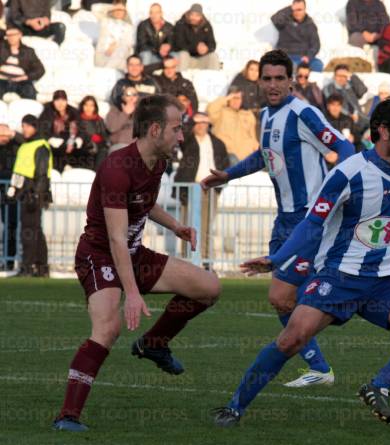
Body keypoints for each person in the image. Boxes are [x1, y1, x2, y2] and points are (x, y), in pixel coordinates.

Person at [211, 98, 390, 427]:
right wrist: (277, 259)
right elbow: (312, 225)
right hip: (338, 279)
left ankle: (379, 386)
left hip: (384, 280)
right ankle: (235, 407)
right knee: (292, 338)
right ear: (383, 131)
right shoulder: (348, 173)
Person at [52, 95, 221, 432]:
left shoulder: (156, 162)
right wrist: (131, 293)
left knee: (209, 287)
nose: (181, 136)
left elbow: (145, 204)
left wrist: (176, 226)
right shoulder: (117, 168)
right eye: (176, 128)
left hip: (132, 254)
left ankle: (154, 344)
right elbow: (115, 239)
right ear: (155, 129)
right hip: (99, 256)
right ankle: (67, 416)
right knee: (108, 329)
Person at [201, 50, 355, 388]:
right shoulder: (268, 115)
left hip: (308, 221)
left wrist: (339, 191)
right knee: (285, 299)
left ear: (290, 80)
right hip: (284, 218)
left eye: (278, 79)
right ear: (260, 81)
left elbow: (344, 149)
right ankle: (320, 366)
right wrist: (229, 174)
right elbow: (264, 156)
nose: (272, 84)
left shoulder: (303, 113)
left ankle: (328, 351)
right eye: (266, 79)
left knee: (281, 297)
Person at [174, 112, 230, 261]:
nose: (201, 126)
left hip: (210, 188)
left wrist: (218, 186)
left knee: (206, 227)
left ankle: (205, 260)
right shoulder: (188, 140)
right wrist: (191, 122)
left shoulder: (218, 143)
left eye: (204, 122)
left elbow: (225, 166)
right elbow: (181, 133)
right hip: (190, 187)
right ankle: (187, 259)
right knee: (187, 226)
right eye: (197, 123)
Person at [6, 114, 52, 277]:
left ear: (34, 127)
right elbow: (20, 172)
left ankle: (26, 267)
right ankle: (41, 267)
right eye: (23, 125)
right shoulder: (27, 145)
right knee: (35, 231)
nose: (24, 128)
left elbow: (42, 173)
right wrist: (13, 190)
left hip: (33, 193)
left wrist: (35, 195)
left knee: (28, 232)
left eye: (27, 126)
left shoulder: (40, 145)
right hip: (26, 192)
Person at [206, 87, 259, 162]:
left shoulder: (248, 114)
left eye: (238, 98)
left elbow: (253, 136)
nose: (236, 101)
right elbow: (210, 110)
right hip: (227, 155)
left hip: (246, 156)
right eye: (233, 98)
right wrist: (225, 99)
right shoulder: (221, 112)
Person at [271, 0, 323, 72]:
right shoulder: (284, 21)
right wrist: (290, 8)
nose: (297, 12)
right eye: (294, 10)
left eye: (299, 10)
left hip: (303, 58)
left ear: (305, 10)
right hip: (286, 56)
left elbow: (315, 45)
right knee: (290, 66)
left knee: (318, 65)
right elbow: (274, 19)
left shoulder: (310, 25)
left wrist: (308, 57)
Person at [38, 90, 81, 173]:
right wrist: (49, 139)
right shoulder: (47, 112)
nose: (60, 104)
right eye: (57, 100)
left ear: (66, 101)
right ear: (53, 101)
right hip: (54, 145)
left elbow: (80, 129)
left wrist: (77, 139)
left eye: (63, 100)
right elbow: (41, 130)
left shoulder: (74, 112)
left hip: (70, 142)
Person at [322, 64, 369, 137]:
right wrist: (349, 115)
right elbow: (334, 106)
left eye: (344, 76)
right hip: (344, 122)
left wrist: (352, 76)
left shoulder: (350, 86)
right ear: (334, 76)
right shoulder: (329, 88)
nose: (341, 78)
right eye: (339, 76)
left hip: (361, 118)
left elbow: (362, 90)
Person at [0, 26, 45, 100]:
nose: (11, 37)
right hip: (2, 80)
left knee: (30, 94)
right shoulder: (1, 47)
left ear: (20, 35)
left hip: (21, 82)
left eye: (13, 35)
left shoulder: (28, 51)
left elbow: (40, 70)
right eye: (8, 35)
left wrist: (24, 77)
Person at [0, 124, 22, 271]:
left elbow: (28, 141)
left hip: (11, 191)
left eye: (5, 135)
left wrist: (13, 134)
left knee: (10, 224)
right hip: (4, 188)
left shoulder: (17, 144)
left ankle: (8, 261)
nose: (3, 138)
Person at [173, 3, 219, 71]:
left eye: (197, 15)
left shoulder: (206, 25)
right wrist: (196, 48)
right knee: (183, 54)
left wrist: (207, 49)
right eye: (192, 14)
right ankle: (180, 79)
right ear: (189, 14)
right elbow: (179, 44)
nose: (194, 18)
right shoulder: (181, 24)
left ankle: (213, 79)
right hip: (186, 59)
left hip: (201, 59)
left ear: (201, 16)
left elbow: (212, 44)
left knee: (213, 56)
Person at [94, 2, 134, 71]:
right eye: (116, 10)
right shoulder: (105, 22)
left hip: (120, 58)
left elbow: (128, 43)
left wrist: (115, 47)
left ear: (125, 13)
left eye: (121, 10)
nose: (118, 12)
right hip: (103, 55)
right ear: (112, 11)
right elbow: (94, 8)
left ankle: (107, 71)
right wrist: (112, 7)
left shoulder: (129, 28)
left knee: (122, 50)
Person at [78, 95, 109, 170]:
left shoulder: (99, 120)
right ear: (82, 106)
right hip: (84, 147)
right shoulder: (78, 119)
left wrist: (100, 141)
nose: (88, 108)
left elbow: (104, 136)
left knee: (103, 150)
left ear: (95, 107)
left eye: (91, 105)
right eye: (86, 105)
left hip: (99, 147)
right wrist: (91, 138)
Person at [106, 86, 138, 151]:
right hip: (119, 146)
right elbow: (112, 128)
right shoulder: (115, 109)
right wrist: (125, 114)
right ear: (123, 97)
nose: (131, 97)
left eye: (134, 95)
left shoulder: (142, 111)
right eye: (128, 95)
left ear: (137, 97)